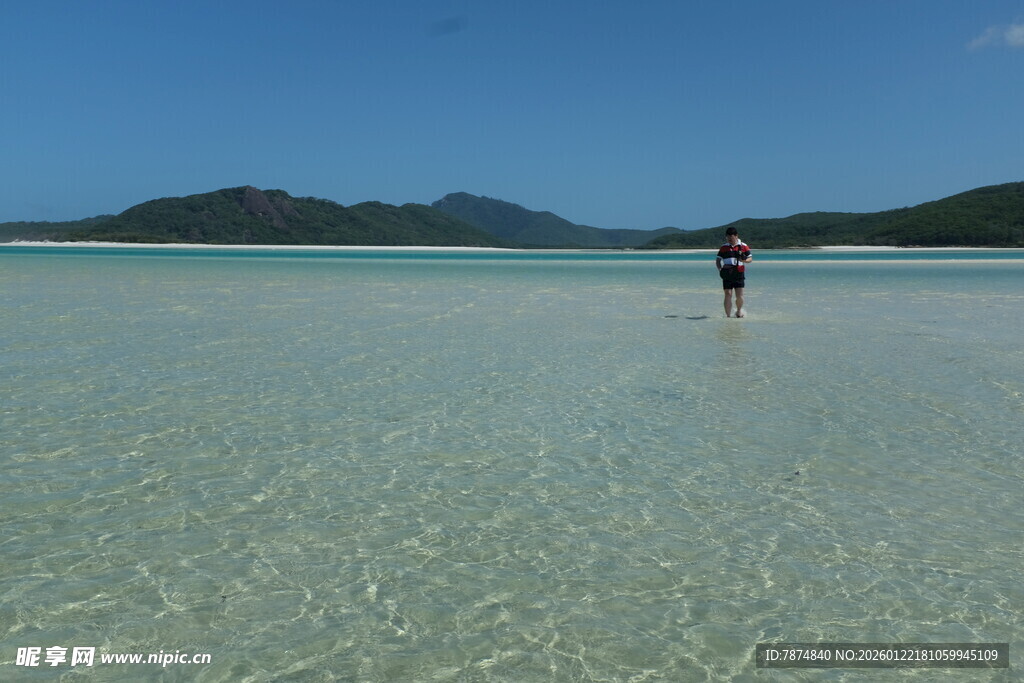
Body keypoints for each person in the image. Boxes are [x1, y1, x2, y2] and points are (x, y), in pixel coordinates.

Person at [715, 227, 752, 318]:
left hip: (739, 272)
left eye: (731, 238)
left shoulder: (743, 246)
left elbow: (750, 258)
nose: (730, 240)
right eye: (728, 238)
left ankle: (739, 311)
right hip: (727, 273)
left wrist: (743, 260)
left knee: (739, 296)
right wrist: (720, 270)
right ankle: (728, 316)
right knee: (728, 294)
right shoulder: (724, 247)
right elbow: (718, 260)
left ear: (736, 236)